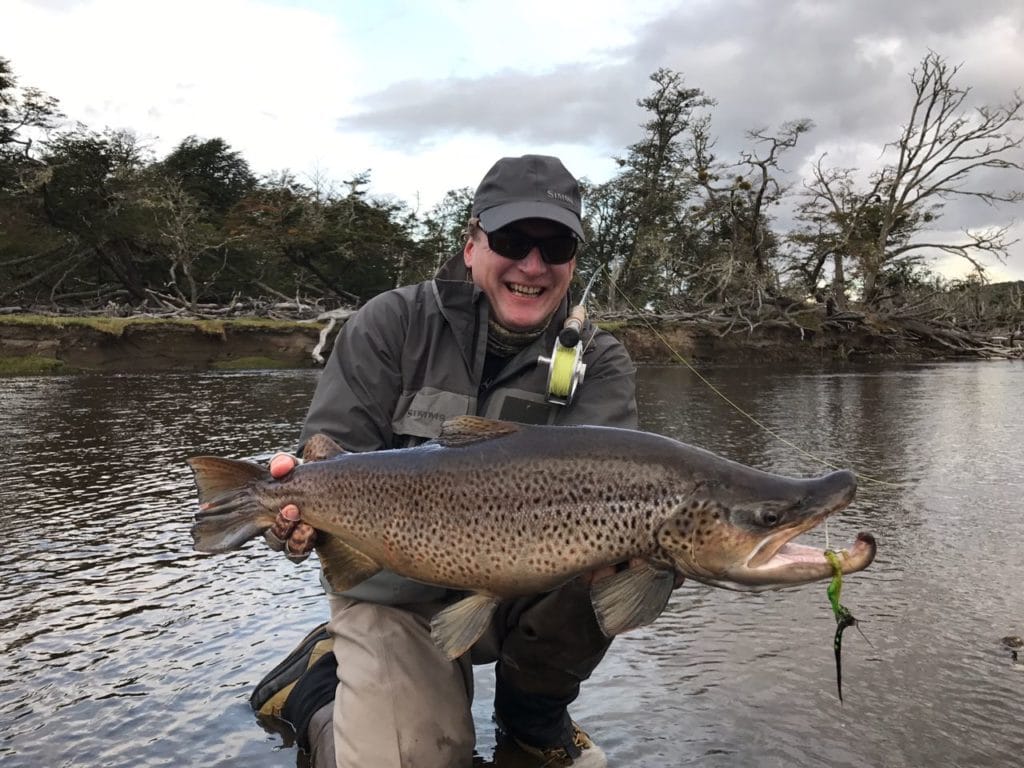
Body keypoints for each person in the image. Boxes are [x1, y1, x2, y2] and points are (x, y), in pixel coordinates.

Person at [252, 154, 640, 768]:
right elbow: (325, 461)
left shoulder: (600, 362)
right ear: (471, 245)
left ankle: (531, 720)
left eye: (555, 245)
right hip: (394, 590)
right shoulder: (390, 323)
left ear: (573, 259)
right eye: (512, 240)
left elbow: (627, 494)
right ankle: (315, 689)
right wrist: (290, 512)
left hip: (528, 585)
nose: (532, 265)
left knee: (639, 553)